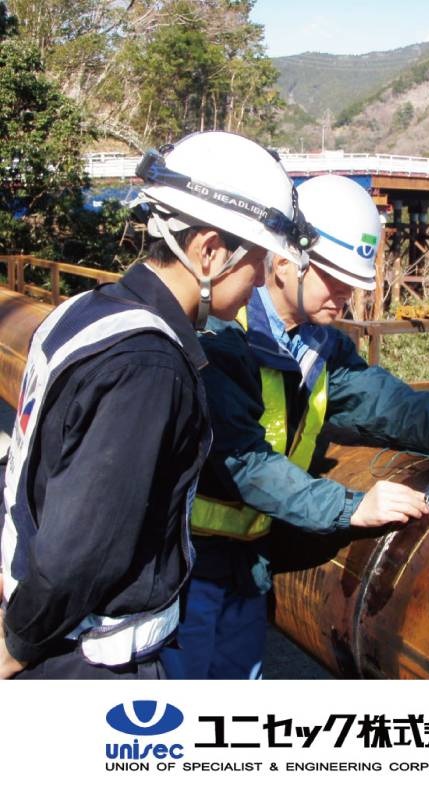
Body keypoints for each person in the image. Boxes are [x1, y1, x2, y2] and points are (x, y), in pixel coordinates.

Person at [160, 174, 429, 680]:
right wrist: (353, 506)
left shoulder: (316, 345)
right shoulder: (221, 334)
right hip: (183, 561)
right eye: (334, 277)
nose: (347, 295)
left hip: (249, 556)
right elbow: (244, 463)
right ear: (285, 261)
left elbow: (387, 404)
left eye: (353, 281)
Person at [0, 130, 311, 679]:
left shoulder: (86, 311)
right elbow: (82, 550)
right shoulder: (150, 367)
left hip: (46, 626)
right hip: (87, 660)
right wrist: (17, 645)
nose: (263, 278)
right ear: (210, 250)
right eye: (258, 259)